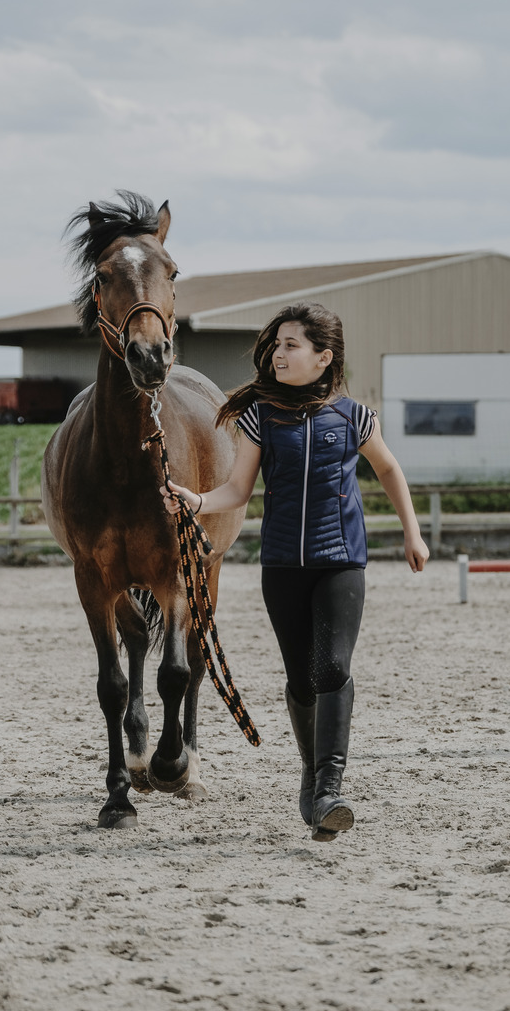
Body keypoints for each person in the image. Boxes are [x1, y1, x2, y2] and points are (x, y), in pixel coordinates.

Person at [160, 302, 429, 842]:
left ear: (323, 358)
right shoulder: (261, 417)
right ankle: (311, 775)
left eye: (291, 346)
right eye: (277, 345)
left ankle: (329, 787)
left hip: (341, 563)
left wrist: (412, 530)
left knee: (332, 668)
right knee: (301, 680)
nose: (279, 354)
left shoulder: (354, 417)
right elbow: (238, 489)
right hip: (282, 565)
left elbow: (389, 468)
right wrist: (196, 500)